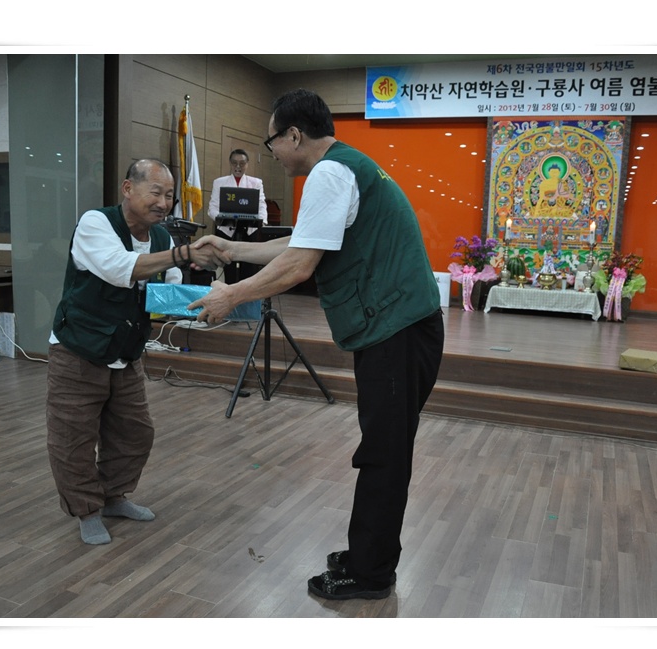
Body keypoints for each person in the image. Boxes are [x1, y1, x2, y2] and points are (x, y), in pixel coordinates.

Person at [189, 89, 445, 600]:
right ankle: (368, 553)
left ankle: (370, 574)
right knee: (384, 449)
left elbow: (300, 265)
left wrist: (230, 295)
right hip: (401, 328)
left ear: (294, 135)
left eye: (272, 143)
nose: (273, 155)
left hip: (397, 331)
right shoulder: (346, 167)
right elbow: (304, 241)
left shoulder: (329, 172)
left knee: (384, 454)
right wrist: (232, 248)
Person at [46, 158, 225, 545]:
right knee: (73, 439)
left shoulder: (161, 238)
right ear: (128, 189)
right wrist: (184, 254)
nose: (164, 203)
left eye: (170, 195)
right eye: (155, 192)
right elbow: (119, 268)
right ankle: (87, 510)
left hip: (126, 354)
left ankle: (113, 497)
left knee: (134, 433)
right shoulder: (96, 223)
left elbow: (168, 291)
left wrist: (212, 299)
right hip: (78, 351)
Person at [208, 149, 268, 283]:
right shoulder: (219, 182)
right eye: (234, 163)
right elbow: (212, 208)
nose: (238, 167)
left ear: (247, 164)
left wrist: (262, 222)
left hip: (250, 230)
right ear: (230, 163)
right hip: (226, 230)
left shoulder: (256, 183)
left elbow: (261, 205)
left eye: (242, 163)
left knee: (249, 269)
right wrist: (222, 218)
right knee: (229, 269)